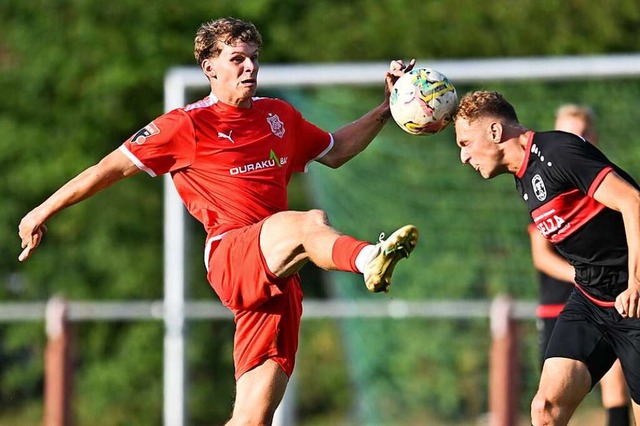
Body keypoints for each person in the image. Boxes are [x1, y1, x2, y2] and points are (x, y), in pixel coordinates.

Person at [17, 17, 419, 425]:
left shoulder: (278, 116)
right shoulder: (185, 125)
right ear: (210, 68)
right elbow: (110, 168)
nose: (250, 68)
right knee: (309, 220)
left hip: (278, 277)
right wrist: (42, 210)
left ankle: (363, 258)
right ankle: (369, 257)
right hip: (232, 254)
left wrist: (386, 109)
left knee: (251, 419)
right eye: (238, 59)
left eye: (255, 59)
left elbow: (335, 150)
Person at [453, 90, 640, 425]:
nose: (463, 157)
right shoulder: (522, 179)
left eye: (465, 143)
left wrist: (636, 282)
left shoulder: (559, 152)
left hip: (634, 302)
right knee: (545, 410)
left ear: (495, 132)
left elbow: (633, 202)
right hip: (592, 302)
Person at [529, 104, 630, 425]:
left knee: (615, 382)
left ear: (594, 137)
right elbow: (541, 255)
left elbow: (632, 204)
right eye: (567, 133)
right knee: (549, 401)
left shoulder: (605, 181)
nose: (575, 139)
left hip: (610, 294)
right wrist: (583, 277)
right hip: (565, 300)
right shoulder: (543, 185)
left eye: (583, 133)